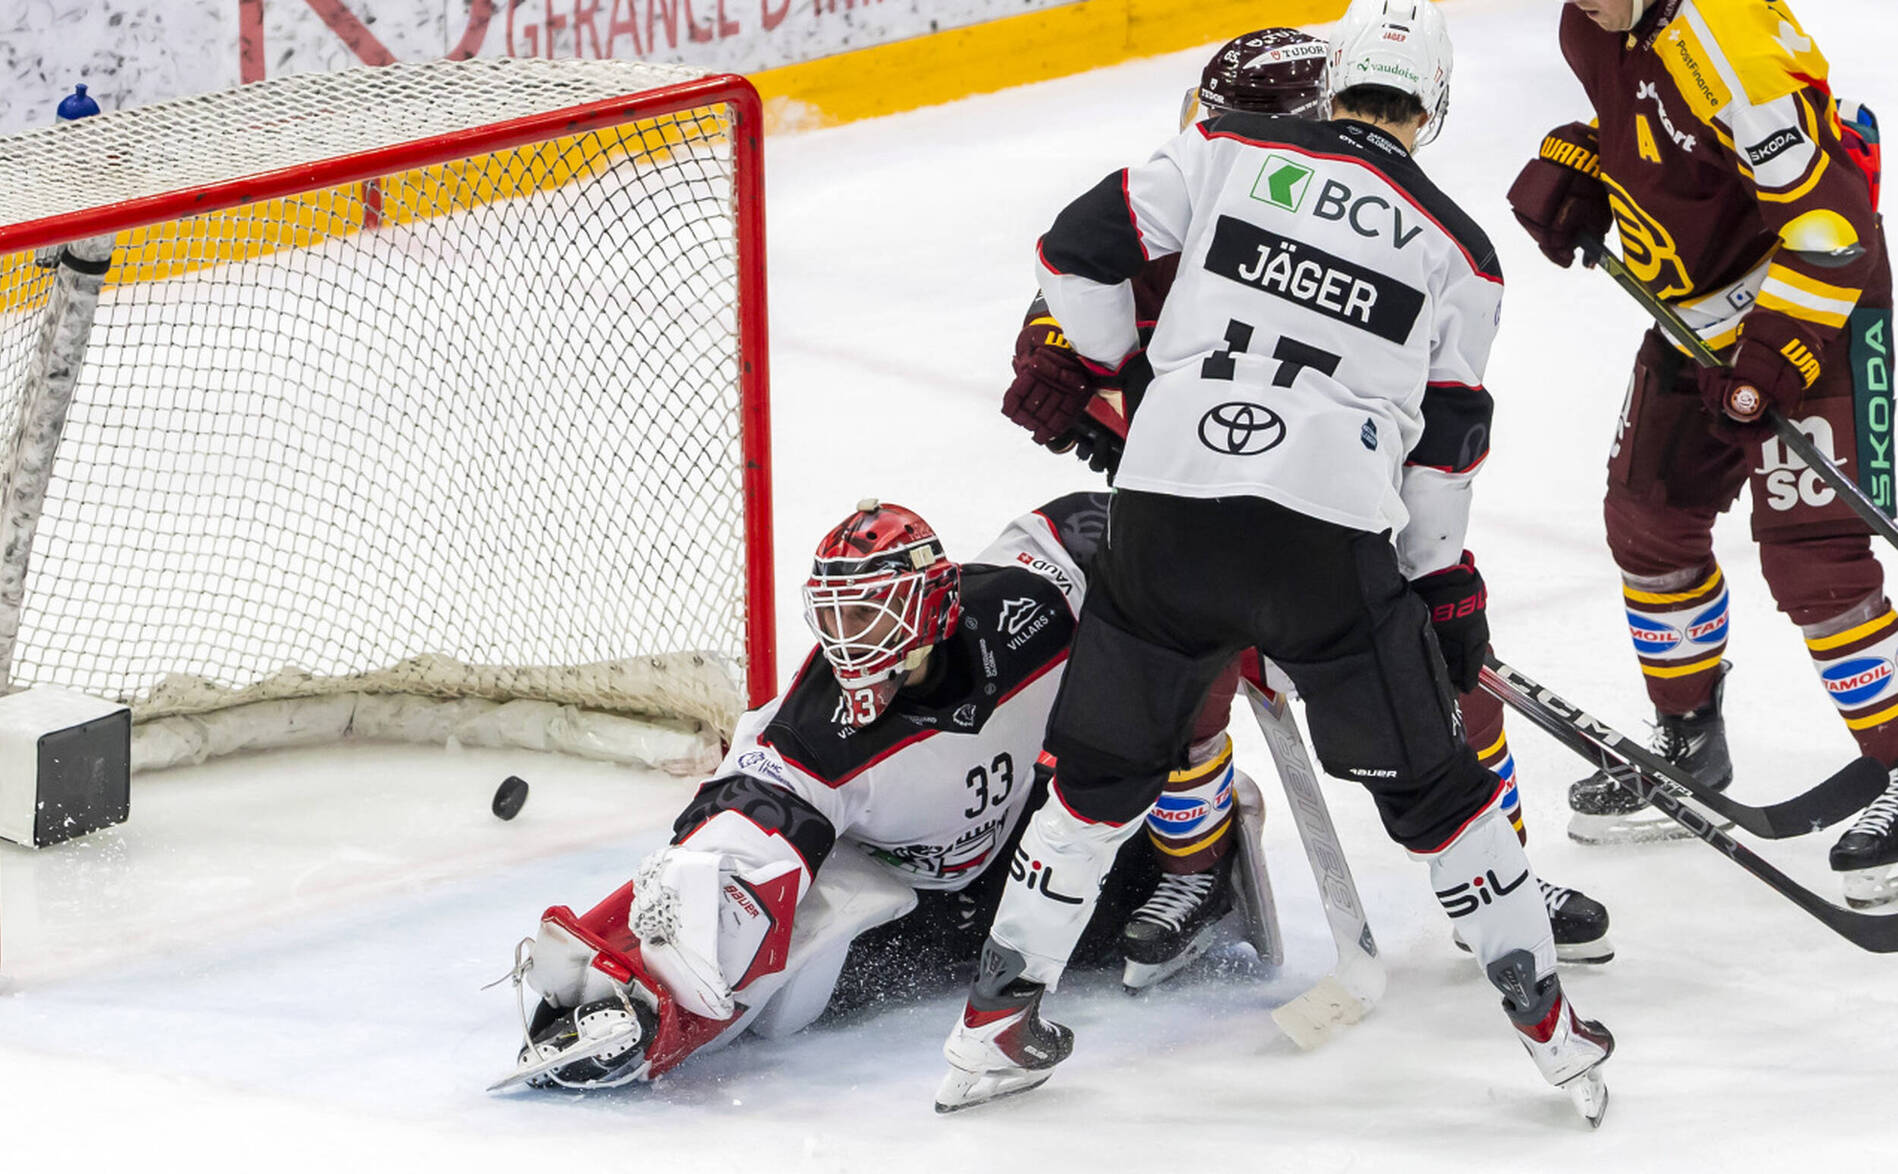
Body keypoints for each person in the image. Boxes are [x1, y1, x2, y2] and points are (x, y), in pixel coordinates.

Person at [940, 0, 1613, 1125]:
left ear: (1330, 81)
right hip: (1325, 541)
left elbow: (1071, 248)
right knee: (1440, 794)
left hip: (1167, 518)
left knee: (1093, 786)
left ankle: (988, 1033)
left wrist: (1133, 382)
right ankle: (1554, 1035)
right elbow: (1447, 446)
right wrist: (1436, 582)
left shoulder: (1221, 150)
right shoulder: (1464, 252)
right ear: (1435, 107)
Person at [493, 493, 1278, 1090]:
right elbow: (727, 847)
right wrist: (649, 1001)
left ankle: (1197, 860)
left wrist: (1251, 575)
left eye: (869, 618)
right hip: (923, 906)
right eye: (837, 619)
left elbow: (1108, 524)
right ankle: (625, 992)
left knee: (1171, 644)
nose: (849, 645)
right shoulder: (812, 735)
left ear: (933, 609)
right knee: (785, 997)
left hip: (1035, 833)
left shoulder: (1028, 603)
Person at [1509, 0, 1898, 902]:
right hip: (1692, 320)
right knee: (1647, 522)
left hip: (1812, 312)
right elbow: (1662, 136)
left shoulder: (1730, 47)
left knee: (1815, 560)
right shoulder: (1593, 24)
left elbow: (1835, 229)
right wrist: (1588, 165)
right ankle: (1690, 743)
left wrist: (1774, 358)